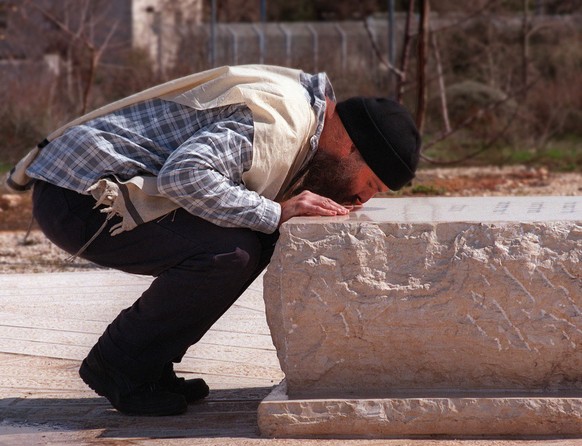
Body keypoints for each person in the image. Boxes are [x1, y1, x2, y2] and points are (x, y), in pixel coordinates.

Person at [6, 64, 421, 416]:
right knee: (231, 251)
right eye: (370, 184)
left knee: (254, 239)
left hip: (85, 187)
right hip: (80, 197)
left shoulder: (305, 118)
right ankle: (119, 364)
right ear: (350, 145)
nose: (361, 199)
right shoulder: (278, 124)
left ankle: (148, 365)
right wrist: (277, 212)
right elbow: (184, 175)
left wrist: (272, 218)